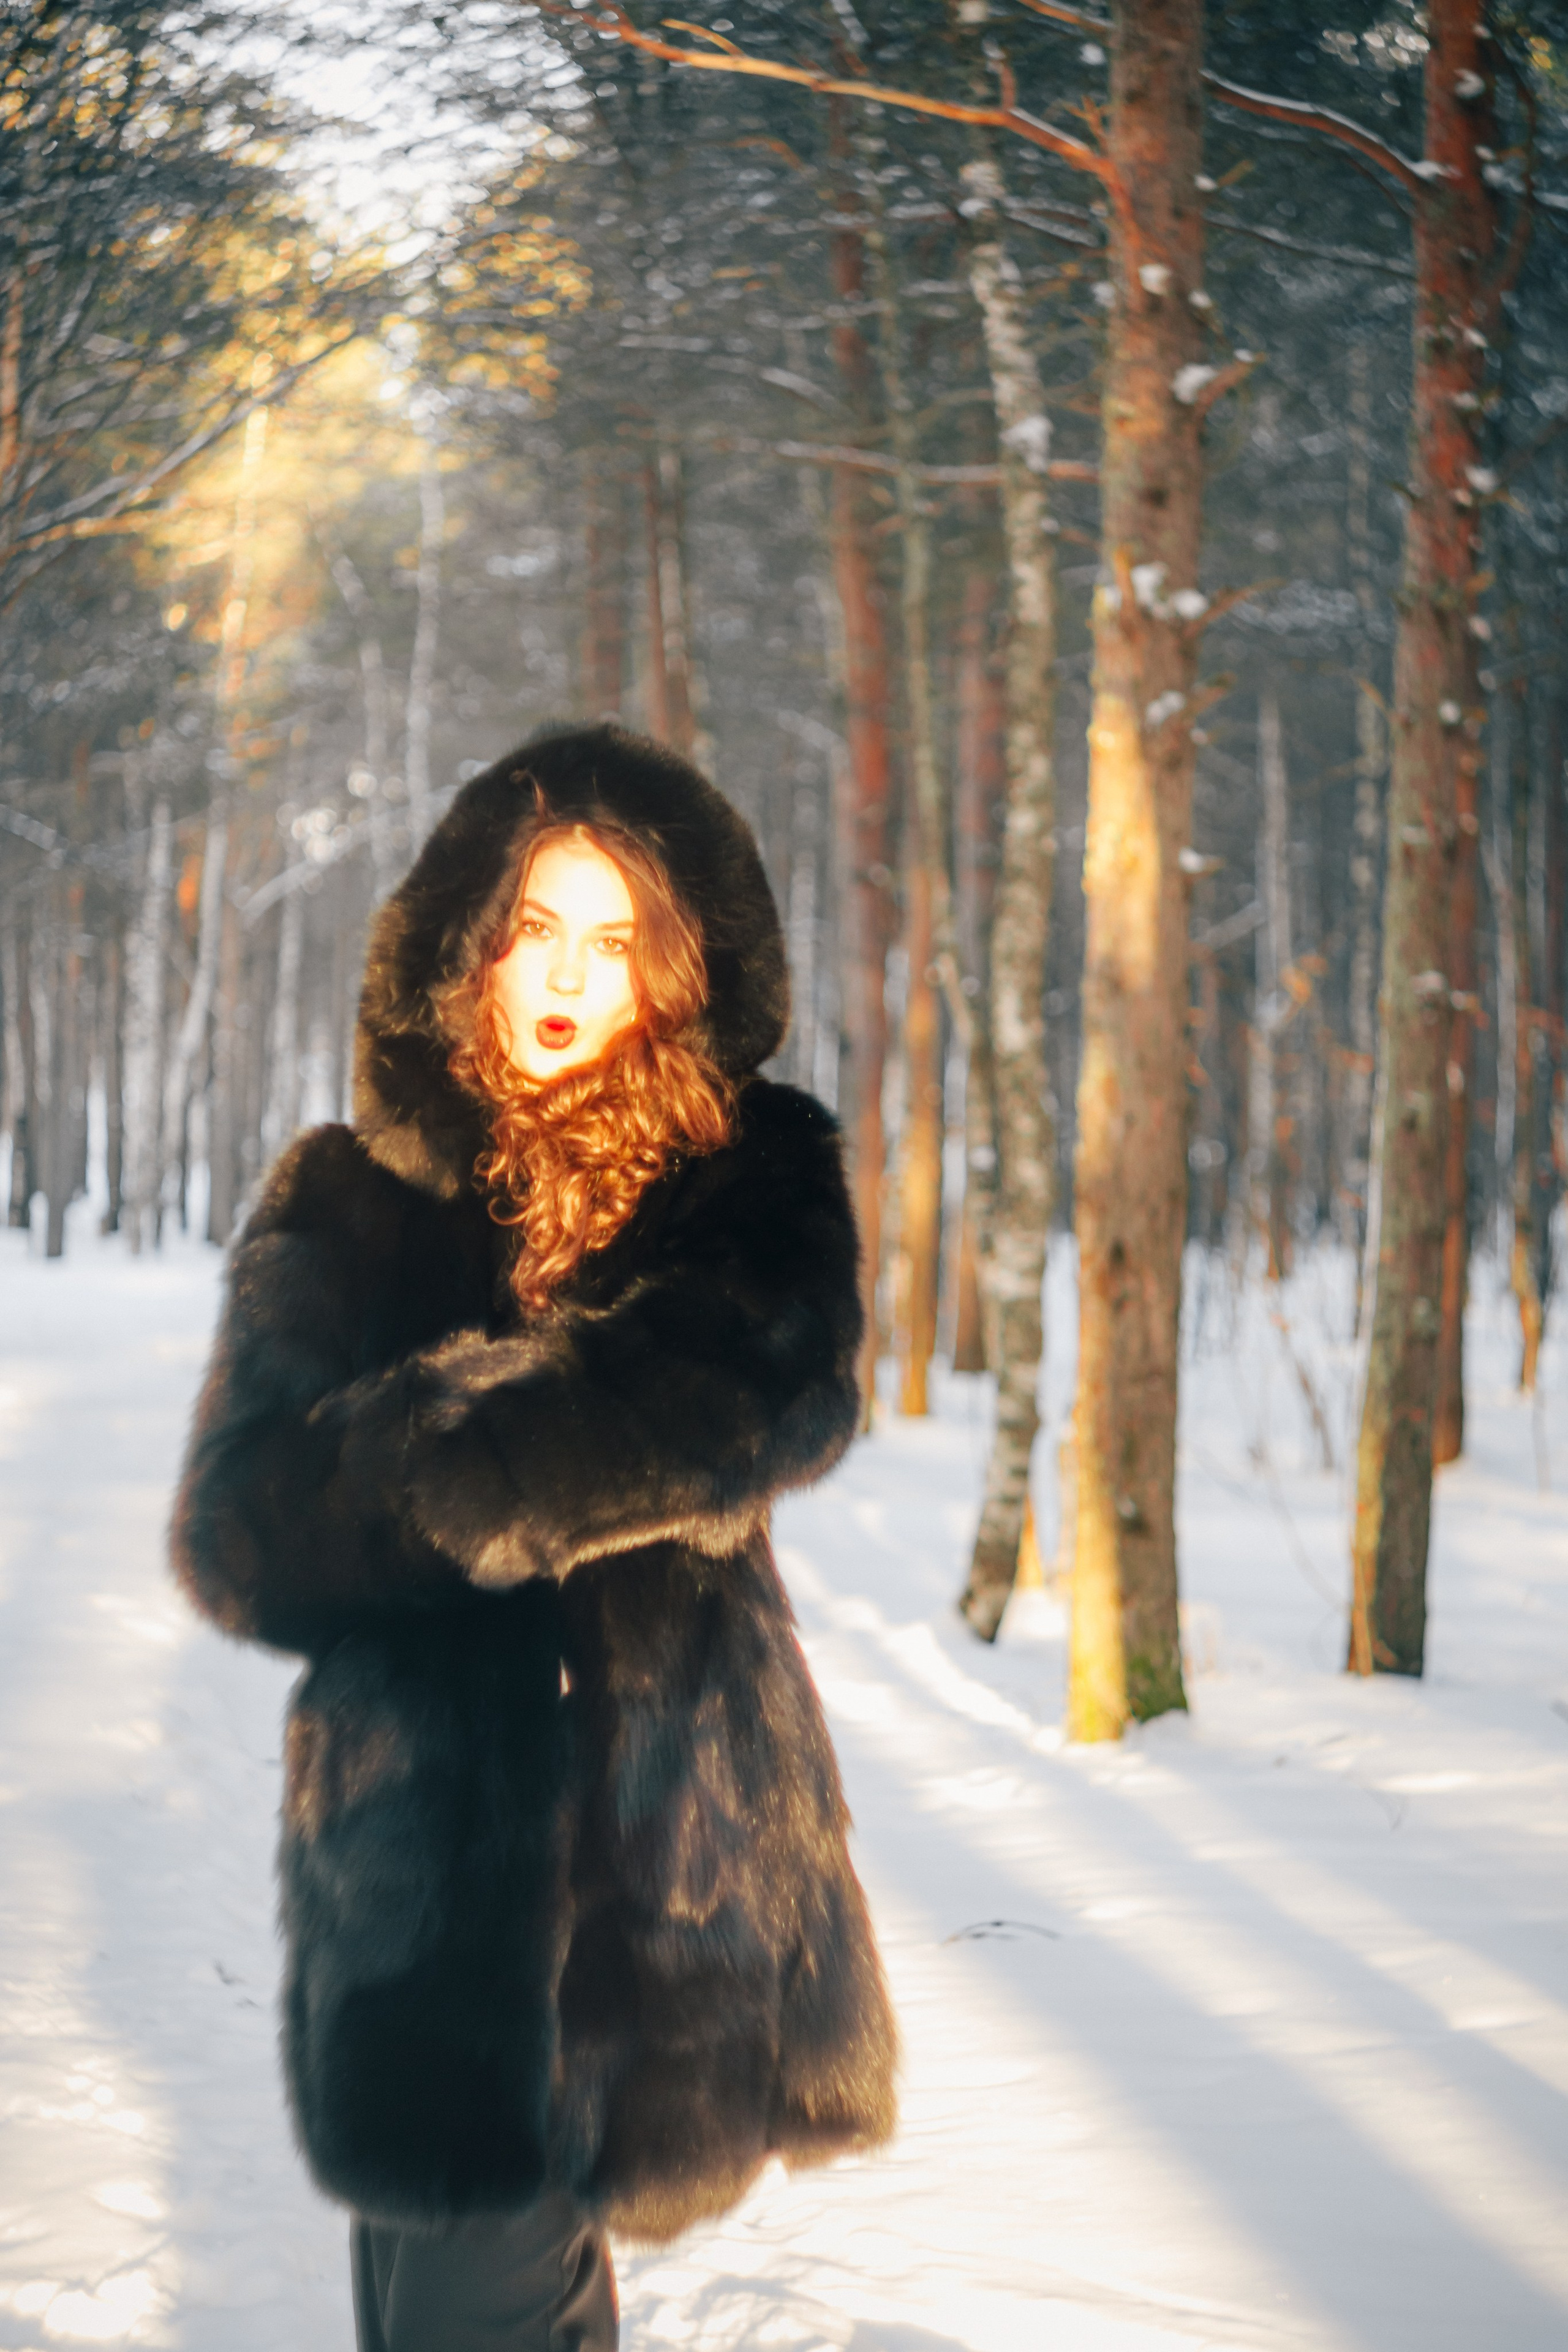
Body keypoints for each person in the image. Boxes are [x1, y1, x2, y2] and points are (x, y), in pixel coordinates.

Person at [170, 724, 899, 2352]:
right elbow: (241, 1527)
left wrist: (499, 1460)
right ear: (471, 948)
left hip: (665, 1847)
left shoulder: (741, 1177)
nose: (567, 975)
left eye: (613, 939)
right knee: (437, 2302)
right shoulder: (349, 1203)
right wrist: (458, 1474)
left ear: (672, 968)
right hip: (428, 1871)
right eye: (536, 930)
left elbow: (767, 1385)